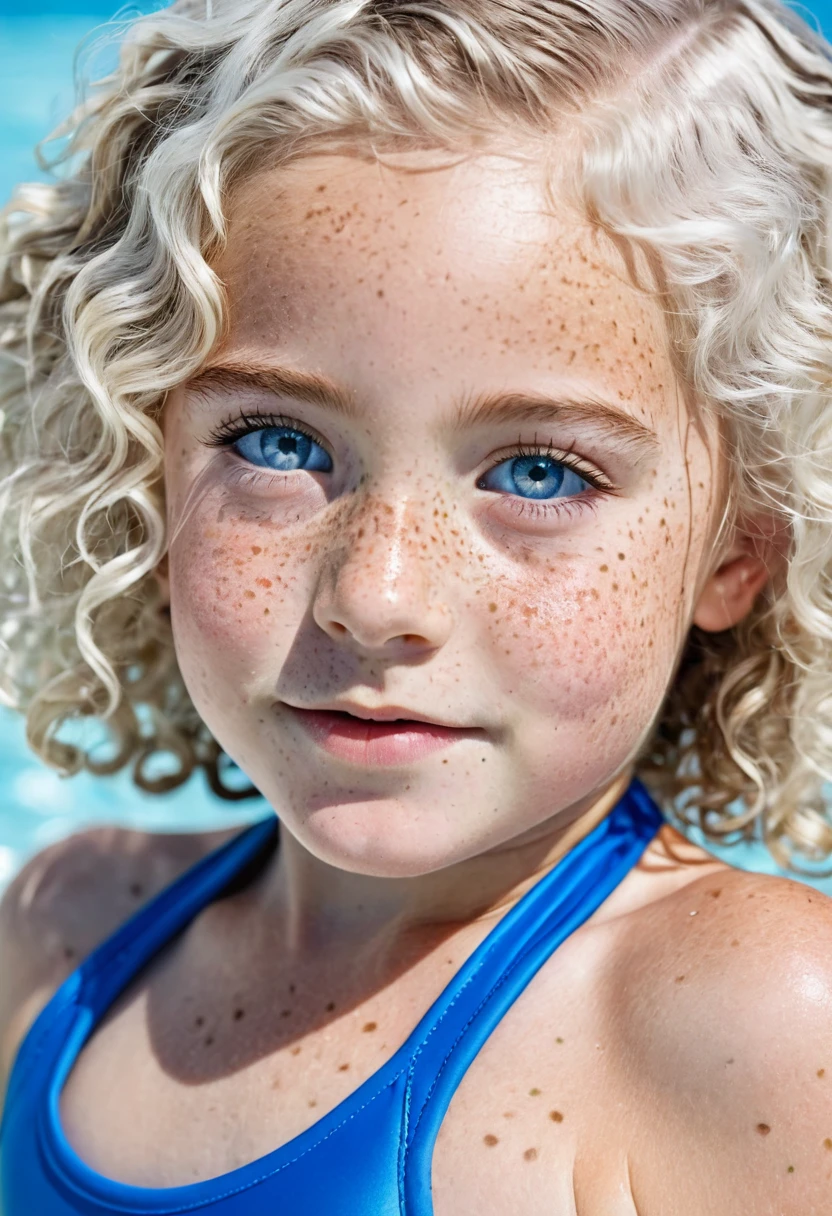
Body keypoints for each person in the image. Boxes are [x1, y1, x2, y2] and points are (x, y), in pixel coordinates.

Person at [2, 0, 832, 1210]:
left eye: (540, 472)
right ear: (144, 462)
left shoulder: (742, 1023)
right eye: (279, 441)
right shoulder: (62, 934)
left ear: (737, 553)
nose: (376, 596)